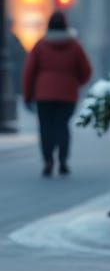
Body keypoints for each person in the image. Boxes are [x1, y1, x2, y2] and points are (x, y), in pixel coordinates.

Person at [22, 12, 92, 177]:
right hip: (67, 95)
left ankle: (47, 160)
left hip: (43, 94)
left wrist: (28, 95)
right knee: (62, 126)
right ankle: (63, 160)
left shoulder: (40, 45)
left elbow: (29, 72)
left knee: (45, 127)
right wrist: (75, 83)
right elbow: (86, 71)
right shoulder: (75, 46)